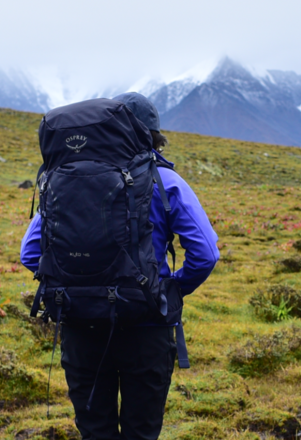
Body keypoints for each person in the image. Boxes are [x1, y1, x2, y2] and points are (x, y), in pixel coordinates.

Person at [21, 92, 219, 440]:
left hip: (80, 325)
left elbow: (29, 253)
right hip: (145, 325)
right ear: (154, 135)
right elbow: (205, 254)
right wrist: (168, 288)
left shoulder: (64, 179)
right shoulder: (164, 181)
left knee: (95, 432)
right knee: (140, 433)